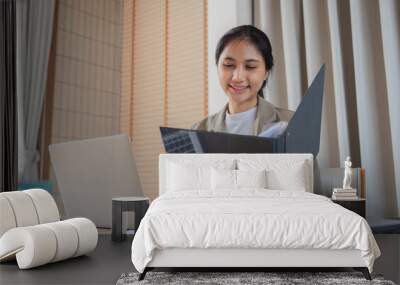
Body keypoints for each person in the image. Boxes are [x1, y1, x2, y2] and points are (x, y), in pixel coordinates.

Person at [192, 25, 293, 137]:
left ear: (266, 73)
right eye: (228, 65)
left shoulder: (292, 122)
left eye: (250, 66)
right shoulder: (197, 131)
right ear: (218, 67)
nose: (237, 77)